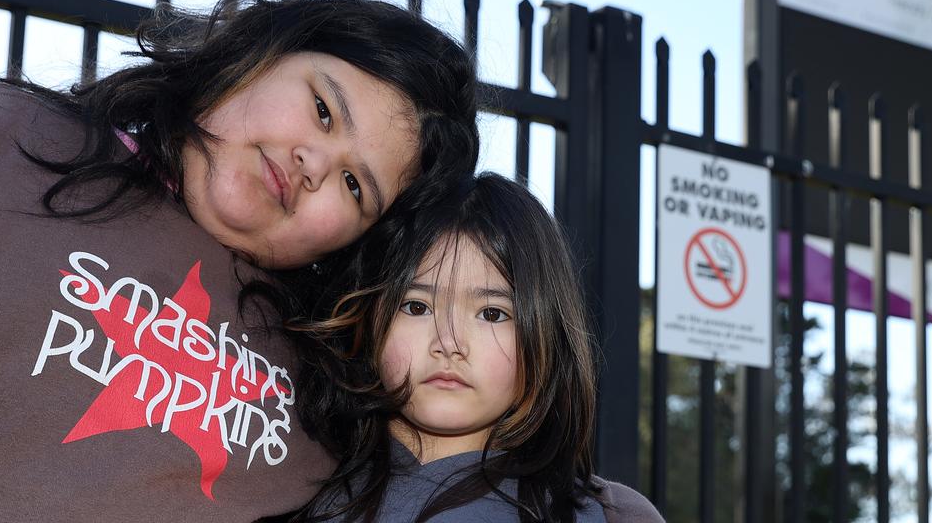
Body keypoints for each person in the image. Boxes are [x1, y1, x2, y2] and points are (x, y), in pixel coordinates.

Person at [0, 0, 478, 522]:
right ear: (259, 54)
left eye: (354, 185)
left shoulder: (327, 392)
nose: (312, 164)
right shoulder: (16, 135)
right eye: (322, 109)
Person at [278, 173, 661, 522]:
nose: (449, 343)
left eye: (492, 314)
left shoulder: (610, 515)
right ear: (369, 320)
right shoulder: (288, 482)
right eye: (416, 307)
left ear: (544, 333)